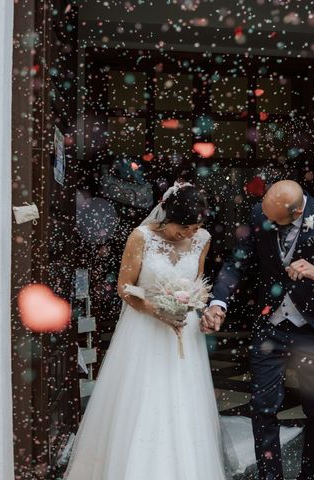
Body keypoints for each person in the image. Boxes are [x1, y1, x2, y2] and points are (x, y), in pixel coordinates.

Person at [200, 180, 314, 480]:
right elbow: (236, 262)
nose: (266, 221)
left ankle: (310, 474)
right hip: (271, 324)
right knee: (263, 407)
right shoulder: (259, 213)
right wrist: (218, 302)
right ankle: (270, 476)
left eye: (273, 219)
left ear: (298, 211)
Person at [65, 183, 227, 479]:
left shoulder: (201, 238)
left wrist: (201, 309)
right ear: (166, 217)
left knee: (184, 400)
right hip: (144, 330)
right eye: (183, 227)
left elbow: (199, 285)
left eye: (195, 227)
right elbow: (125, 288)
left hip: (183, 332)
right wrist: (159, 311)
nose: (189, 234)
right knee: (144, 398)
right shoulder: (141, 237)